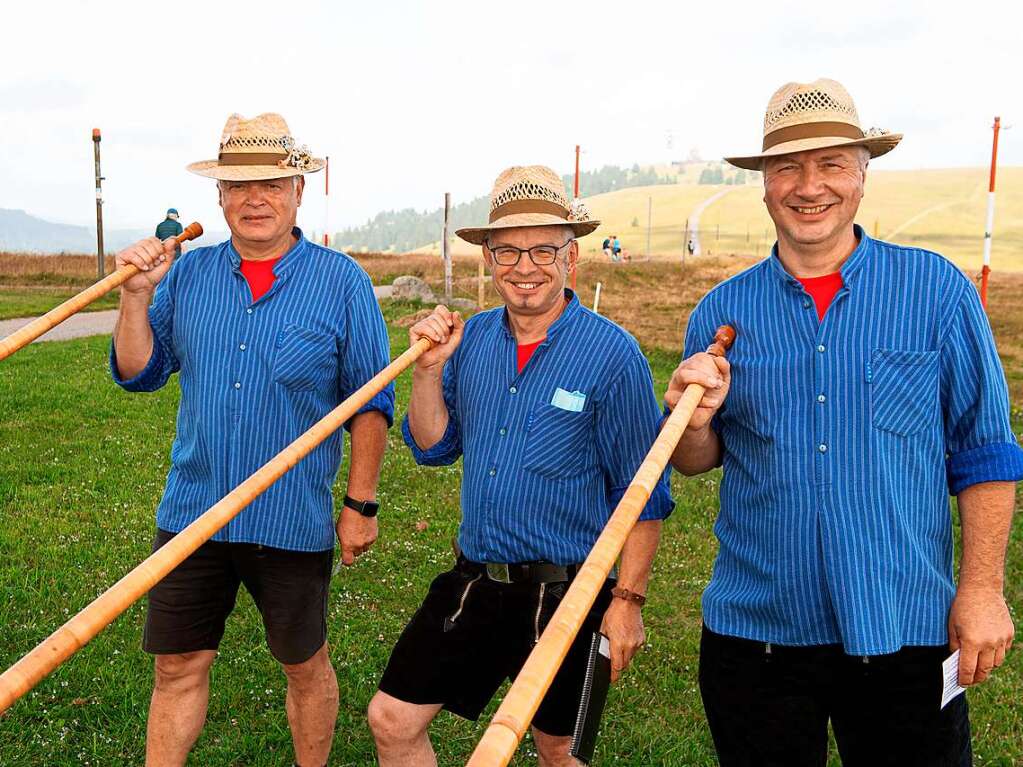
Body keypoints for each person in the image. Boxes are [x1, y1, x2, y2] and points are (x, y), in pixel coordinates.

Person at [666, 78, 1023, 766]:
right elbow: (695, 457)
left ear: (862, 175)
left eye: (831, 163)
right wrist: (691, 420)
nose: (808, 186)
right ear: (763, 184)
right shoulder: (720, 313)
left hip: (905, 625)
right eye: (786, 167)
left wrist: (980, 589)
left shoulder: (935, 290)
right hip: (758, 633)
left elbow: (984, 450)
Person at [111, 112, 394, 767]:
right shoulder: (188, 276)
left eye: (271, 182)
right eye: (238, 185)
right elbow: (138, 371)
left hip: (289, 516)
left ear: (299, 190)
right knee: (178, 664)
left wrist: (360, 502)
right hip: (193, 512)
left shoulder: (341, 281)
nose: (255, 197)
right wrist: (133, 298)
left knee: (303, 661)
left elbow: (371, 402)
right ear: (220, 198)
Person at [367, 165, 673, 767]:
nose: (525, 266)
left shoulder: (613, 355)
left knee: (557, 752)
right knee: (392, 720)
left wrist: (628, 600)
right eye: (507, 251)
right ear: (488, 258)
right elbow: (432, 447)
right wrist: (427, 373)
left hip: (568, 592)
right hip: (476, 579)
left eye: (542, 250)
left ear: (572, 256)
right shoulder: (471, 339)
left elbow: (646, 495)